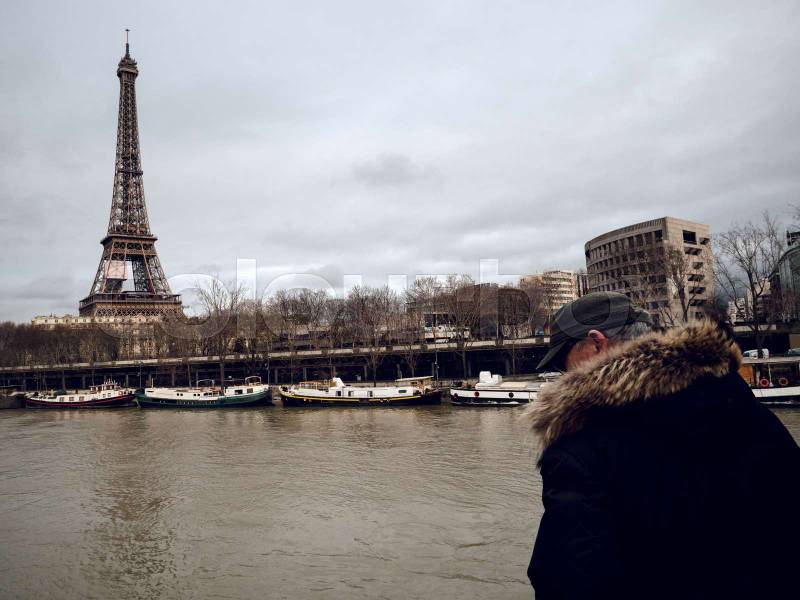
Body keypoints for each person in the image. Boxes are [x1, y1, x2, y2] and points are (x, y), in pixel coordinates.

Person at [526, 292, 800, 600]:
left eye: (563, 362)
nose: (563, 376)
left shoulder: (583, 449)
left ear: (596, 345)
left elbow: (567, 581)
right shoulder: (741, 405)